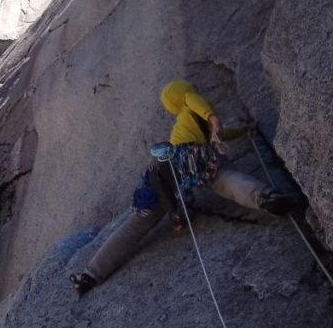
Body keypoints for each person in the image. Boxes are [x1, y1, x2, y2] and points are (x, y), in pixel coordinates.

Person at [70, 79, 305, 296]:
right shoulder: (189, 104)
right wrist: (215, 120)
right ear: (182, 95)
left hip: (162, 172)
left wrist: (243, 130)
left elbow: (221, 131)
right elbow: (199, 105)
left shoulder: (187, 121)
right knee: (223, 180)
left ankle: (90, 275)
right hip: (188, 160)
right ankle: (266, 198)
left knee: (136, 225)